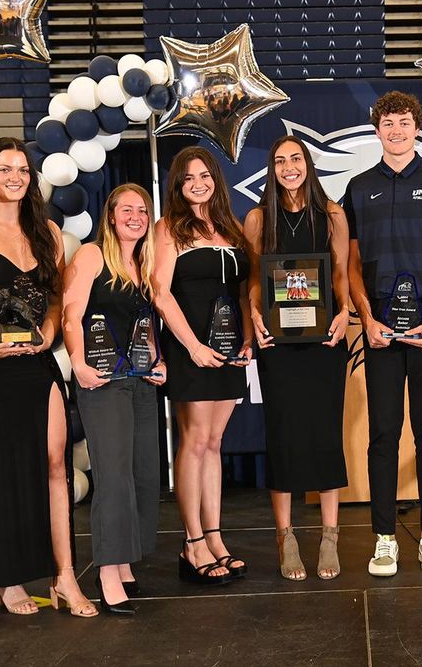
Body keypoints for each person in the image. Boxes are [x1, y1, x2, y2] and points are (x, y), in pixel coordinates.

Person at [0, 137, 96, 617]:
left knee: (55, 467)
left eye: (23, 169)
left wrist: (49, 334)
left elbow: (54, 299)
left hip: (36, 364)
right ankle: (8, 579)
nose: (15, 176)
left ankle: (65, 576)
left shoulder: (47, 232)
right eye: (5, 168)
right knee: (3, 471)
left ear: (32, 178)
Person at [344, 90, 422, 576]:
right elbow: (351, 263)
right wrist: (365, 317)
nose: (395, 130)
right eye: (387, 123)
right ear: (377, 131)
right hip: (379, 330)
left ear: (417, 128)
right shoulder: (358, 187)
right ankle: (384, 539)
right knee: (383, 435)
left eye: (404, 122)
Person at [244, 135, 351, 581]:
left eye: (296, 158)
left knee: (325, 434)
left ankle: (330, 536)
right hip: (278, 346)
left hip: (324, 340)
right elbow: (253, 279)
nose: (289, 166)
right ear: (273, 168)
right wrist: (253, 314)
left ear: (308, 164)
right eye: (280, 159)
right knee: (283, 437)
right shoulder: (256, 218)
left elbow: (342, 273)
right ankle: (285, 537)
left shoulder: (332, 215)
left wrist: (346, 312)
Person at [62, 184, 167, 613]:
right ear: (110, 215)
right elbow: (70, 314)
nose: (136, 217)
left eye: (142, 210)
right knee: (114, 475)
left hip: (142, 380)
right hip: (101, 381)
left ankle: (126, 561)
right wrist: (77, 361)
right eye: (127, 209)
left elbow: (145, 323)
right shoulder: (91, 256)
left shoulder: (147, 261)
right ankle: (107, 570)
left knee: (144, 473)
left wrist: (159, 360)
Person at [153, 146, 252, 585]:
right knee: (194, 442)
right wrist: (191, 346)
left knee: (214, 444)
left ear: (216, 179)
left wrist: (248, 338)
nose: (198, 184)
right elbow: (160, 292)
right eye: (189, 178)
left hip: (229, 350)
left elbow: (246, 289)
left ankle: (214, 537)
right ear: (177, 184)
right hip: (191, 350)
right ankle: (191, 542)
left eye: (205, 176)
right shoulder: (169, 227)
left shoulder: (231, 227)